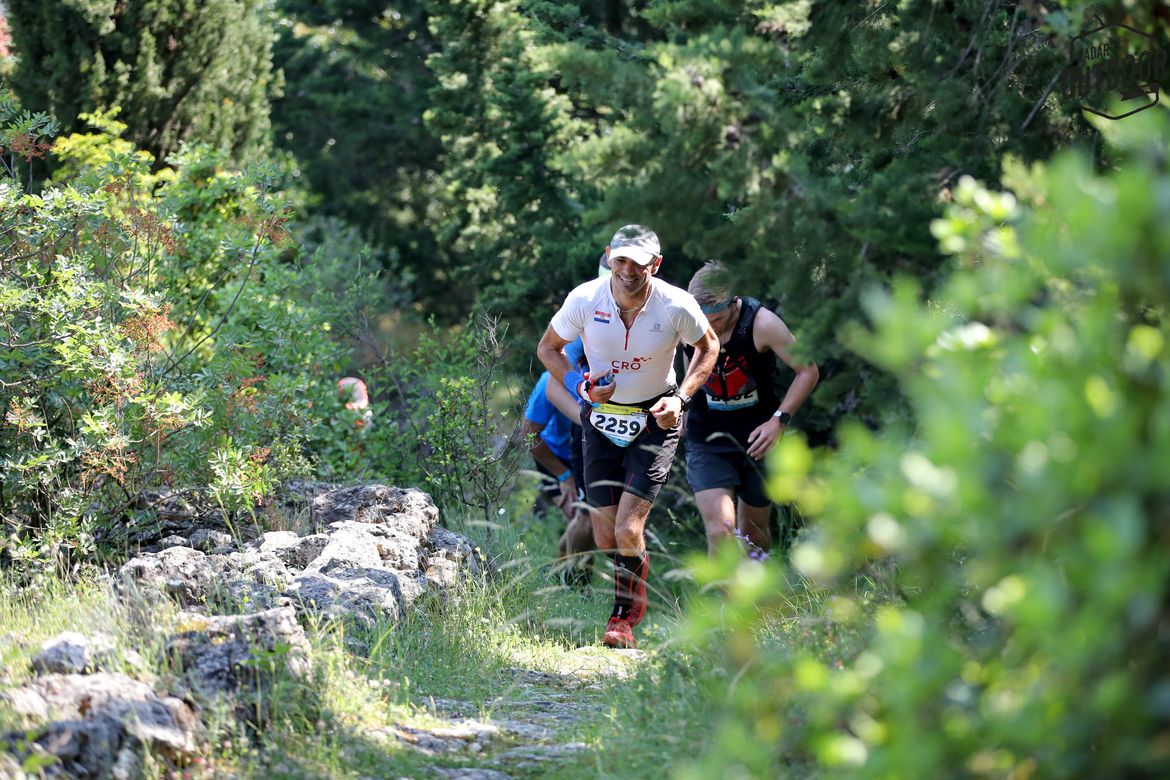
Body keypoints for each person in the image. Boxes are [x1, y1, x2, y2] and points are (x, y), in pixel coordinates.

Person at [537, 224, 719, 649]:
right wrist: (581, 385)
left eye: (638, 264)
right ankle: (630, 595)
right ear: (609, 257)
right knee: (604, 536)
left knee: (628, 530)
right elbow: (548, 349)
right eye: (620, 261)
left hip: (656, 418)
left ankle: (622, 621)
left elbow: (708, 348)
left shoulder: (676, 304)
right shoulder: (584, 298)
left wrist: (683, 400)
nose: (628, 271)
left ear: (655, 264)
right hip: (599, 417)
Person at [683, 260, 820, 557]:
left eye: (717, 321)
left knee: (753, 535)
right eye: (704, 322)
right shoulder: (686, 321)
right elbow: (690, 371)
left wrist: (779, 421)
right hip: (706, 438)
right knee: (721, 531)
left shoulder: (762, 324)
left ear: (733, 303)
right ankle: (725, 604)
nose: (710, 330)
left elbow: (808, 371)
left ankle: (753, 599)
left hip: (758, 438)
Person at [520, 338, 595, 585]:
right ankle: (574, 582)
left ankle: (563, 577)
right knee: (583, 517)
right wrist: (564, 476)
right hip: (553, 456)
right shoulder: (547, 383)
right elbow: (529, 437)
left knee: (589, 519)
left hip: (586, 451)